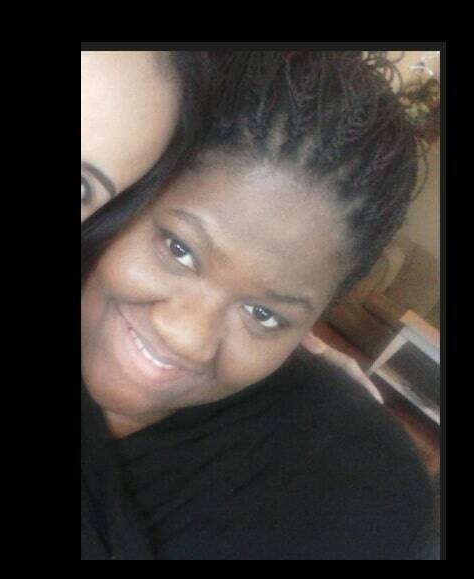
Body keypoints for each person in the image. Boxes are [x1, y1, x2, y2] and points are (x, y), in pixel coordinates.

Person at [81, 51, 438, 559]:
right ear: (128, 199)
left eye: (264, 315)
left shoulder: (353, 496)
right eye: (179, 250)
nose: (188, 337)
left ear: (312, 322)